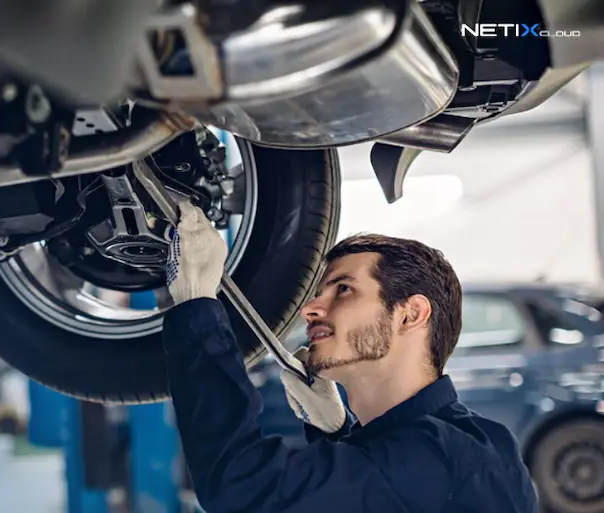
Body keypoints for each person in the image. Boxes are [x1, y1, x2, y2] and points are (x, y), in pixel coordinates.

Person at [162, 201, 537, 513]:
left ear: (410, 314)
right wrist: (337, 434)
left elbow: (239, 485)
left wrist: (197, 305)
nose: (310, 308)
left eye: (343, 289)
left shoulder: (437, 456)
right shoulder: (477, 442)